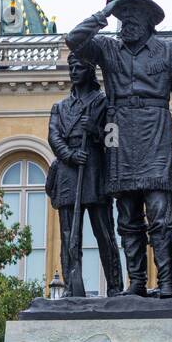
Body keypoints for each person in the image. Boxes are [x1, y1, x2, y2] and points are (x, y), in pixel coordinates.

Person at [67, 0, 172, 297]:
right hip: (119, 131)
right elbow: (74, 40)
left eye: (134, 14)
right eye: (123, 16)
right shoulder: (109, 50)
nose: (127, 22)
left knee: (160, 214)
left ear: (150, 19)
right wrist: (105, 12)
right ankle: (136, 283)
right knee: (127, 217)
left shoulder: (171, 51)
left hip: (155, 129)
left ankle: (165, 282)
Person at [46, 52, 123, 297]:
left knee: (104, 232)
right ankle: (71, 286)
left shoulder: (104, 102)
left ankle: (114, 286)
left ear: (90, 71)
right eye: (71, 67)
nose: (74, 72)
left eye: (79, 67)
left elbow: (114, 138)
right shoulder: (59, 107)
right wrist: (69, 154)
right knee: (69, 234)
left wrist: (96, 130)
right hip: (69, 172)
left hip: (95, 170)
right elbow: (53, 136)